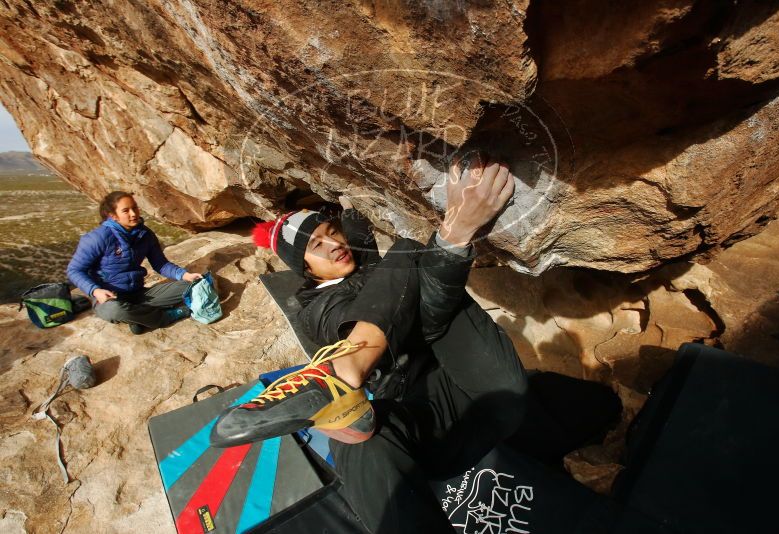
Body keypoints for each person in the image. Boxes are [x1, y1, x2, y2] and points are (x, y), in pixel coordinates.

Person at [212, 155, 531, 532]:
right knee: (357, 437)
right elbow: (417, 310)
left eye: (332, 232)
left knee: (408, 256)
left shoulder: (368, 264)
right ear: (306, 269)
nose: (333, 244)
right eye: (317, 244)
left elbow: (355, 219)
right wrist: (455, 232)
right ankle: (344, 372)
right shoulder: (318, 309)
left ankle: (341, 384)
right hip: (428, 429)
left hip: (489, 398)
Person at [67, 191, 203, 335]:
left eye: (135, 207)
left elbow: (160, 264)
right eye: (126, 211)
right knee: (114, 310)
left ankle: (138, 318)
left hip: (139, 294)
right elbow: (74, 270)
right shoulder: (98, 238)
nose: (133, 214)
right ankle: (164, 316)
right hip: (111, 298)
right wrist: (95, 290)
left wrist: (184, 275)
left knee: (197, 285)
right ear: (113, 216)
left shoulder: (144, 234)